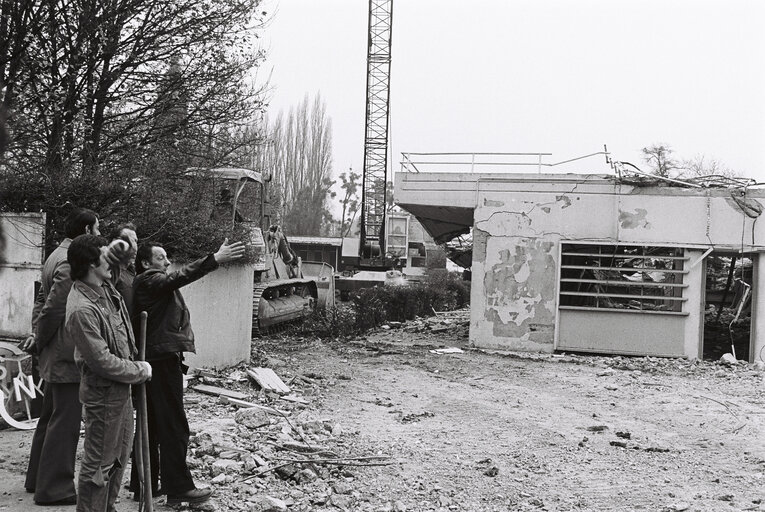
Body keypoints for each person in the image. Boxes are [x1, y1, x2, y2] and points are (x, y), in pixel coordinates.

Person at [129, 238, 244, 504]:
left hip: (155, 357)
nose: (167, 262)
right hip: (161, 359)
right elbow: (179, 277)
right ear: (146, 263)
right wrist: (214, 259)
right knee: (173, 426)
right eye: (161, 258)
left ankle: (143, 484)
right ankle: (178, 487)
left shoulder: (147, 283)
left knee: (153, 425)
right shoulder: (149, 280)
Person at [64, 234, 152, 511]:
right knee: (99, 464)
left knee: (118, 459)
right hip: (103, 397)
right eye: (106, 256)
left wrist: (123, 244)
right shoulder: (82, 309)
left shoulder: (104, 288)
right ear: (91, 264)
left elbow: (122, 262)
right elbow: (102, 361)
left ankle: (106, 507)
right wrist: (139, 370)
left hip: (120, 392)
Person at [20, 207, 100, 506]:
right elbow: (55, 306)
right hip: (65, 350)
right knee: (65, 421)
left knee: (50, 416)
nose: (100, 234)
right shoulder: (70, 261)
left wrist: (38, 336)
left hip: (55, 349)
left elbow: (40, 300)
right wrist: (40, 340)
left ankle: (37, 478)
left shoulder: (56, 254)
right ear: (88, 230)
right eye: (98, 228)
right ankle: (54, 488)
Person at [110, 223, 138, 314]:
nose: (135, 247)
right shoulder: (109, 273)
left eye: (136, 241)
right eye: (132, 241)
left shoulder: (131, 271)